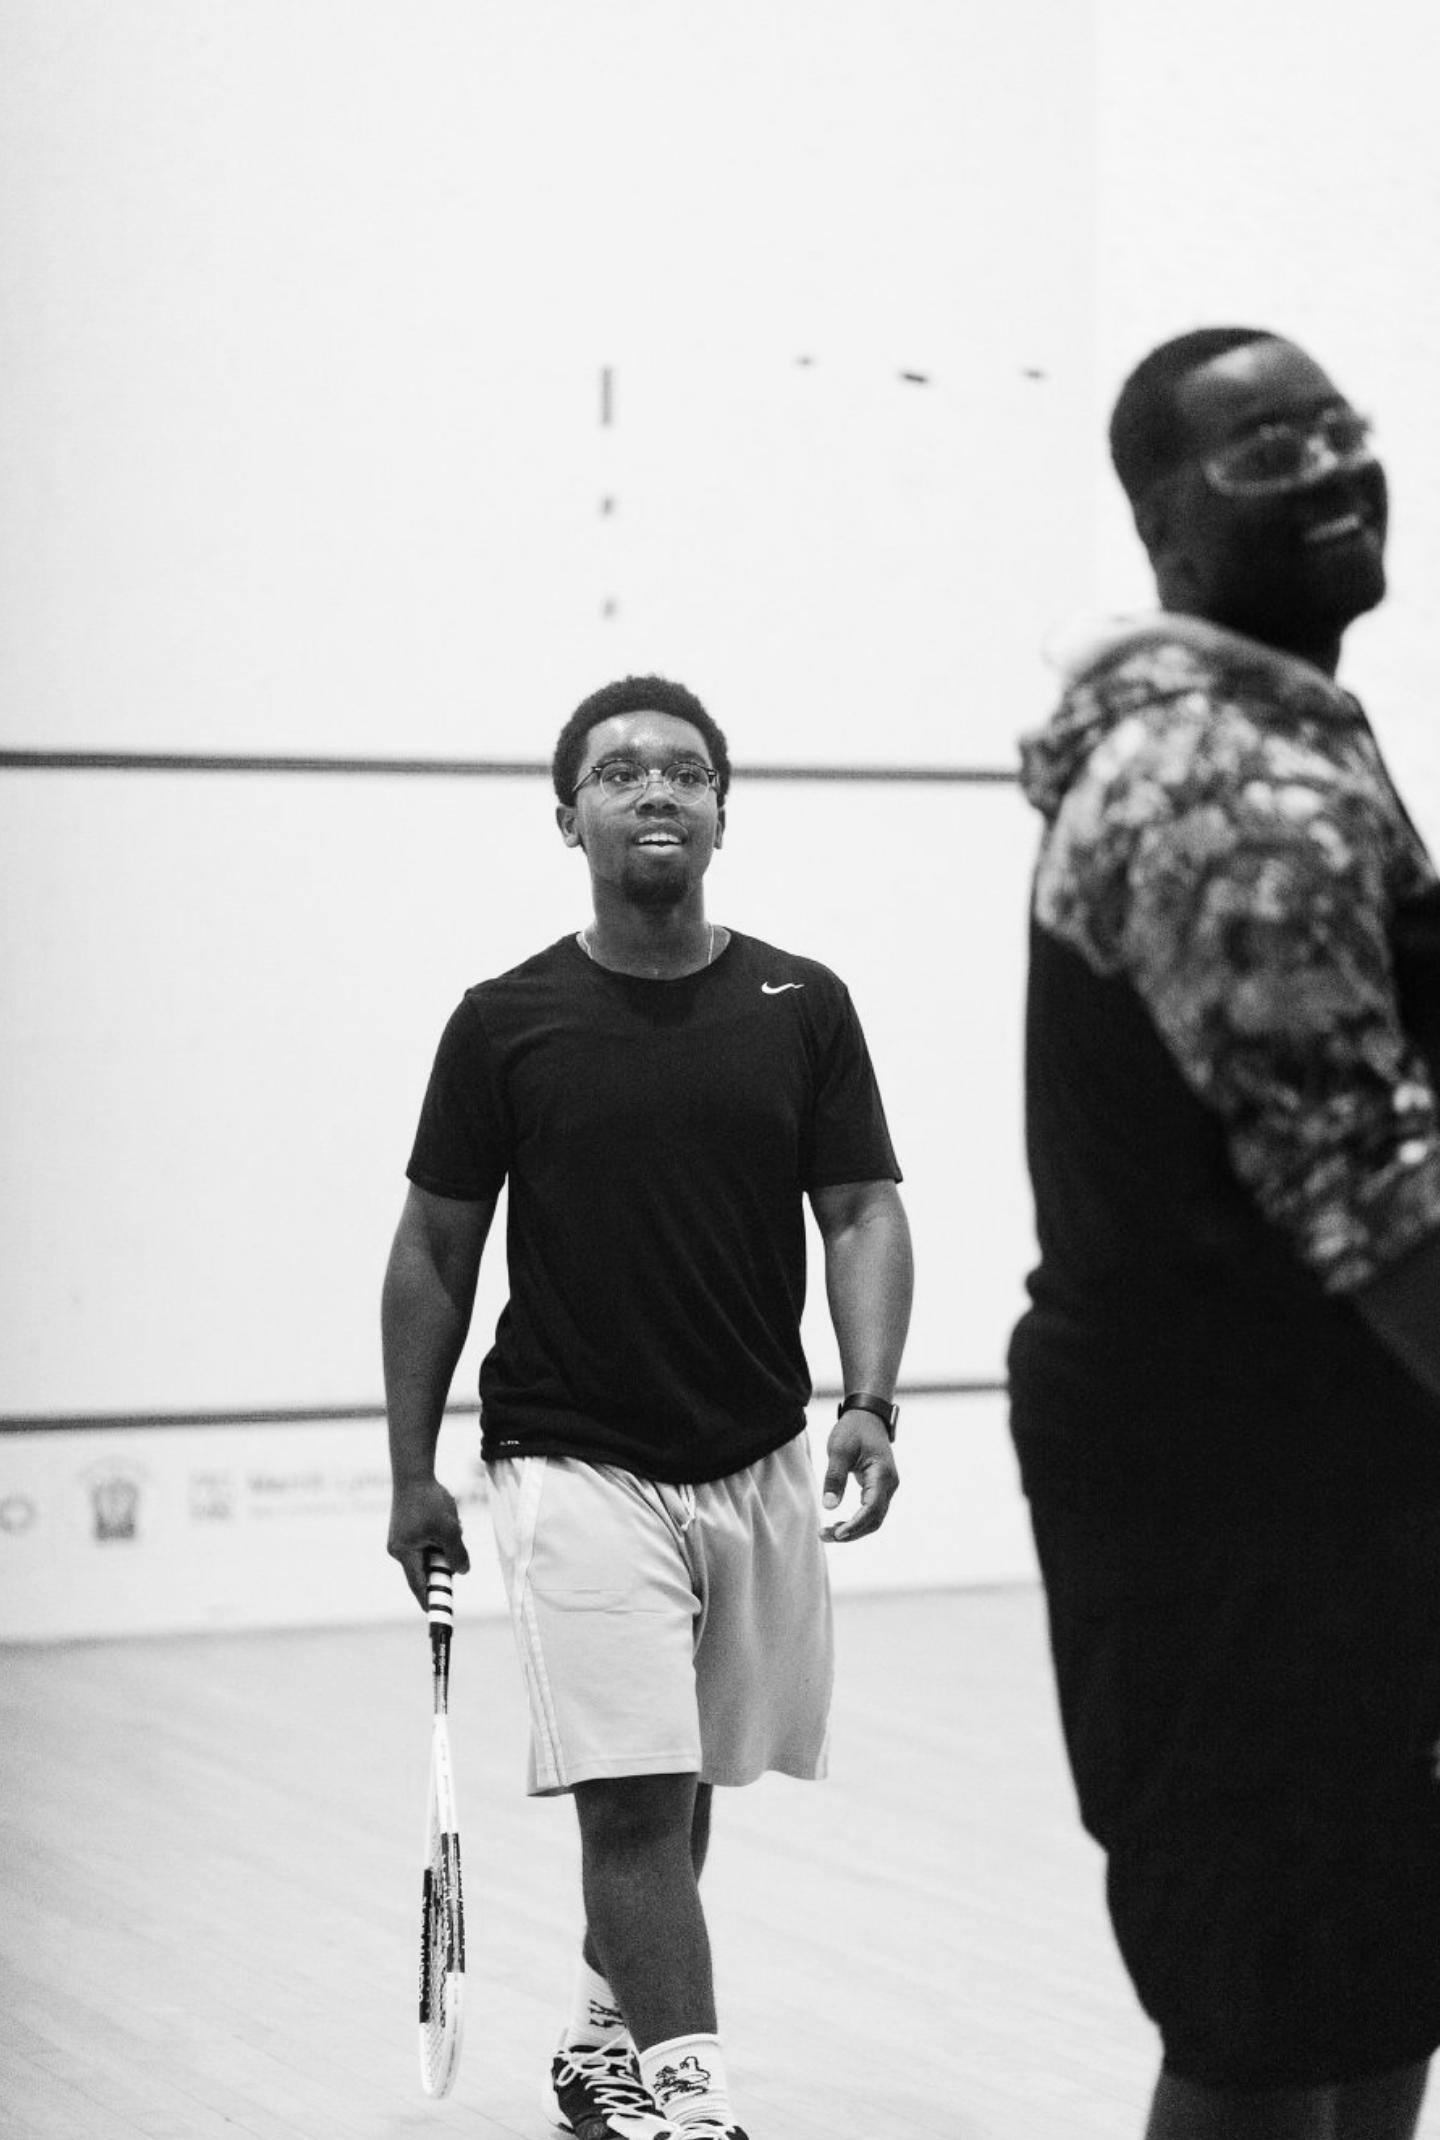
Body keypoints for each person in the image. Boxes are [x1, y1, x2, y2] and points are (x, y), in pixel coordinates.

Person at [1008, 327, 1440, 2140]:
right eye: (1270, 445)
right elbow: (1372, 1201)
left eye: (1343, 428)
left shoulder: (1292, 749)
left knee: (1379, 1972)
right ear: (1163, 523)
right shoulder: (1217, 784)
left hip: (1326, 1476)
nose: (1335, 464)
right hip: (1225, 1501)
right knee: (1269, 2012)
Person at [383, 674, 913, 2140]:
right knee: (632, 1799)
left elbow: (862, 1209)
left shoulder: (804, 1005)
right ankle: (693, 2108)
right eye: (620, 773)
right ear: (570, 818)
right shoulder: (505, 1023)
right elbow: (435, 1246)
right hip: (570, 1459)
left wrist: (869, 1397)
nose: (658, 790)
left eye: (685, 770)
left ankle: (601, 2044)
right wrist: (408, 1470)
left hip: (751, 1454)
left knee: (682, 1790)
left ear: (724, 810)